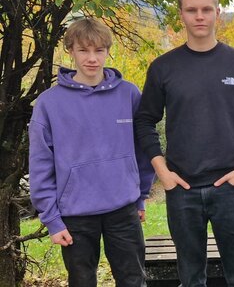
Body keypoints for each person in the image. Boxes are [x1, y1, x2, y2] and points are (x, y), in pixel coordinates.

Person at [134, 0, 234, 287]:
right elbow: (145, 121)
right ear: (181, 14)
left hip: (230, 188)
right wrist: (162, 172)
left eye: (206, 9)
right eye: (192, 10)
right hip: (182, 189)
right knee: (192, 280)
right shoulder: (163, 67)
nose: (200, 16)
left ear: (218, 13)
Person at [29, 17, 155, 287]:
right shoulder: (49, 103)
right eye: (83, 50)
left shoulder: (129, 94)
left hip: (123, 208)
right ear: (70, 51)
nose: (91, 58)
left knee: (133, 280)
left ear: (108, 51)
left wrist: (141, 196)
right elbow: (40, 164)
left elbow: (144, 149)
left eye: (99, 50)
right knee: (82, 282)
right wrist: (52, 220)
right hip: (75, 214)